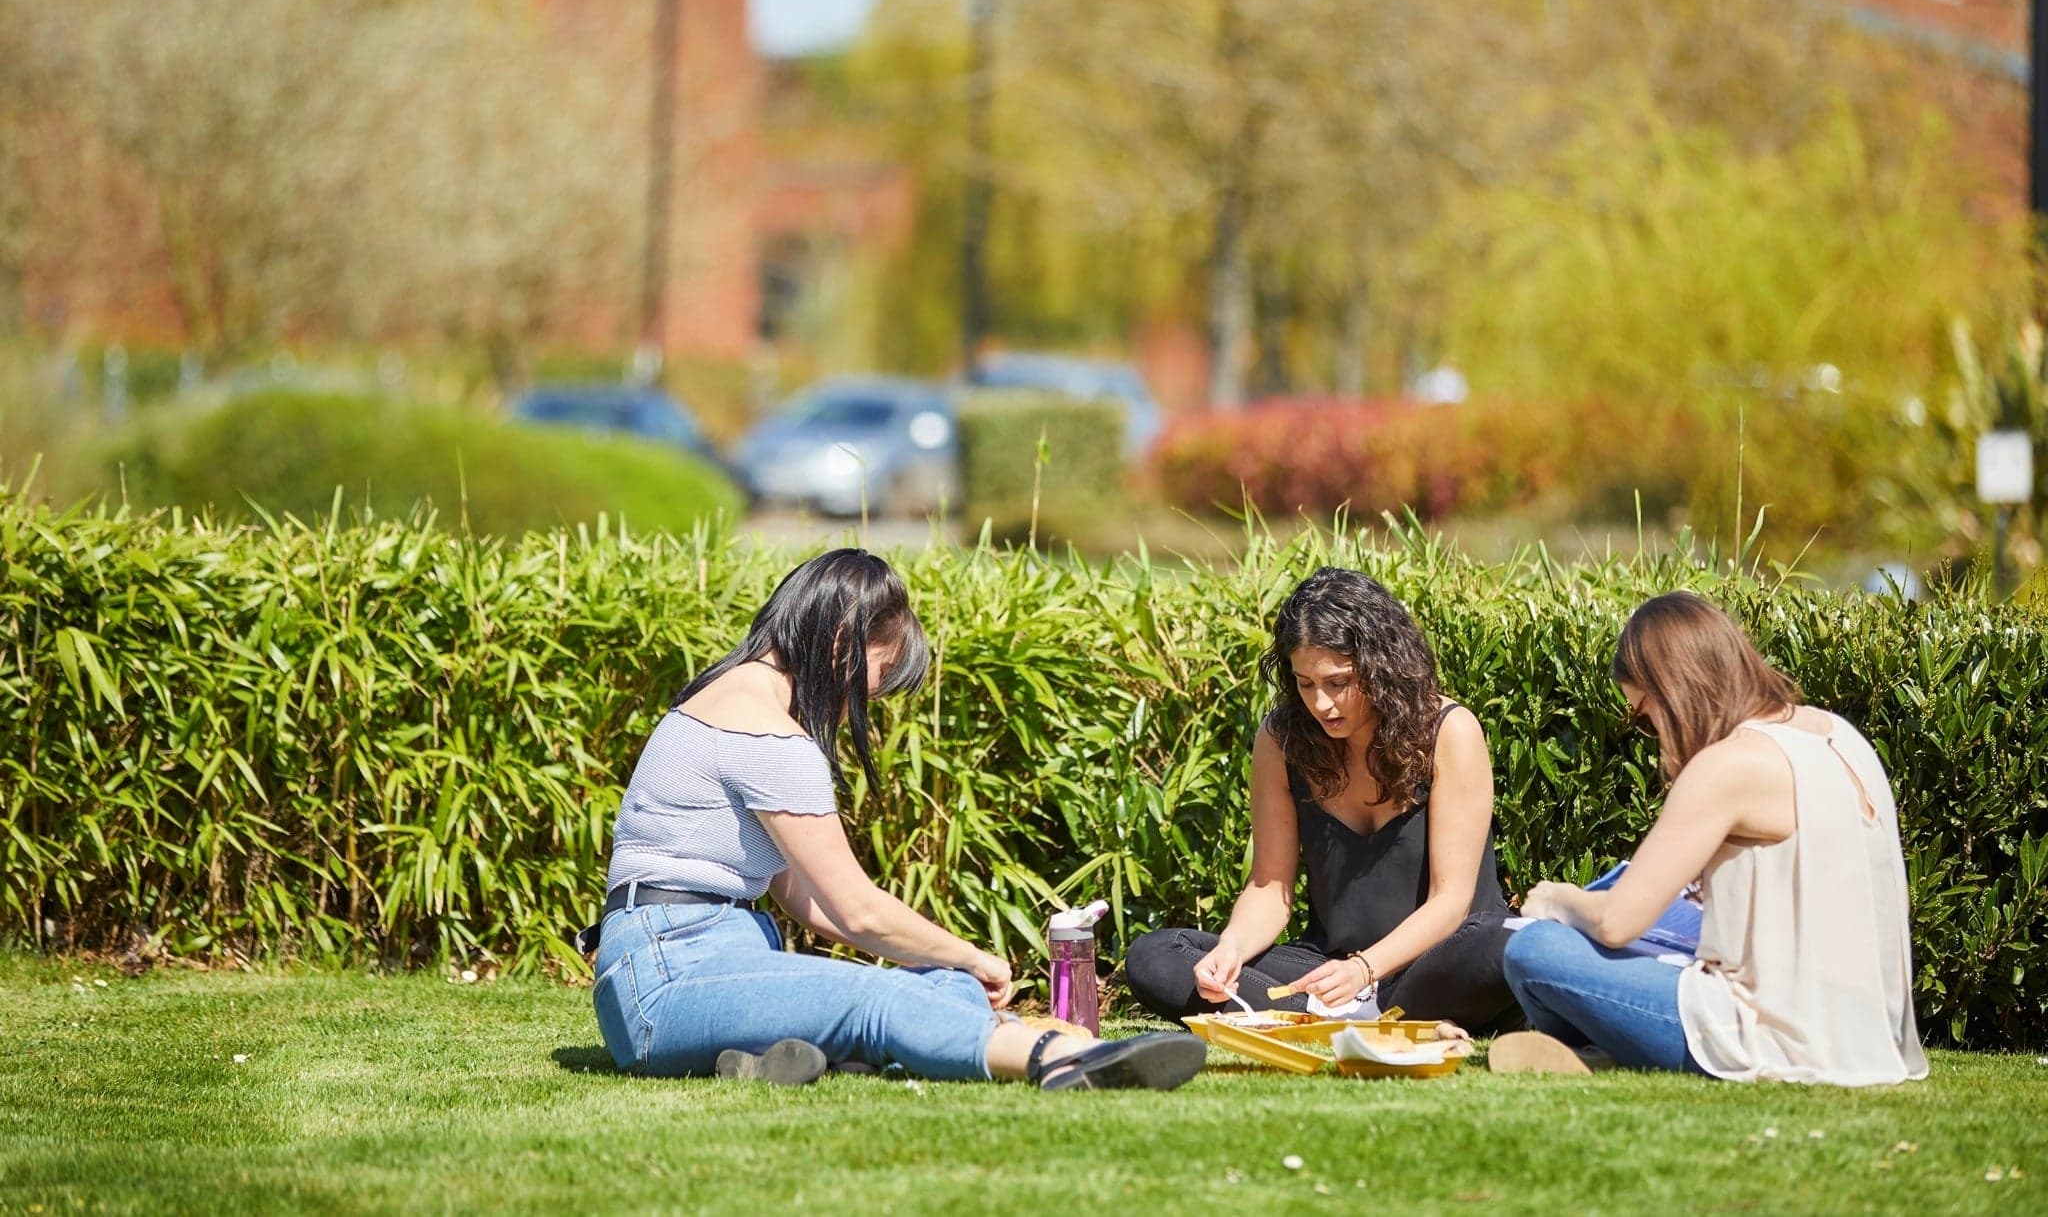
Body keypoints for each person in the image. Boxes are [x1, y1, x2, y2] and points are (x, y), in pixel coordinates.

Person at [588, 548, 1205, 1091]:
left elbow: (803, 898)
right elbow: (855, 908)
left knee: (937, 985)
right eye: (879, 674)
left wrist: (945, 966)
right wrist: (971, 955)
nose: (872, 699)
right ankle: (1061, 1057)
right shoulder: (765, 731)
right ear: (841, 645)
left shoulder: (732, 695)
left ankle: (768, 1061)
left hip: (699, 957)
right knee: (876, 997)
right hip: (666, 977)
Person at [1492, 591, 1929, 1085]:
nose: (1650, 731)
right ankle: (1607, 1046)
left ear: (1670, 691)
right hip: (1861, 1030)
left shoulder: (1727, 765)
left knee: (1536, 949)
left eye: (1642, 713)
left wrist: (1558, 898)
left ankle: (1599, 1046)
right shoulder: (1838, 734)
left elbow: (1616, 923)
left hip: (1765, 1032)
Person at [1125, 567, 1520, 1031]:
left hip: (1433, 964)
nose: (1321, 705)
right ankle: (1339, 1017)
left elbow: (1451, 901)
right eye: (1305, 684)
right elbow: (1270, 888)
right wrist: (1229, 951)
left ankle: (1324, 1017)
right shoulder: (1282, 739)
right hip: (1328, 969)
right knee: (1155, 955)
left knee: (1504, 942)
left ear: (1383, 667)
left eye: (1338, 682)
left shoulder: (1448, 731)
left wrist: (1365, 970)